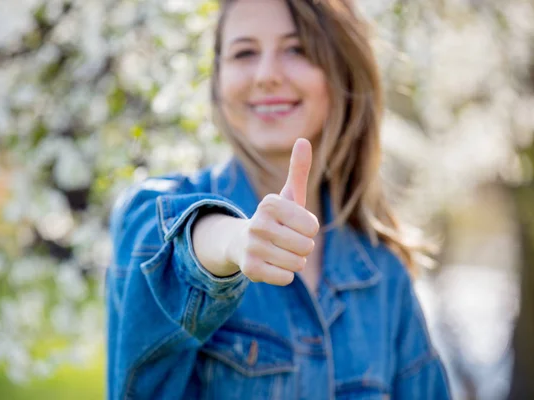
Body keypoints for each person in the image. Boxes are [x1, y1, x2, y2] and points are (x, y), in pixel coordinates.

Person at [106, 0, 451, 398]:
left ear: (341, 69)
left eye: (297, 48)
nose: (267, 75)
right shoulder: (151, 210)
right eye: (244, 52)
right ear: (217, 79)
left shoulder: (383, 277)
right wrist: (233, 239)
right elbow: (160, 239)